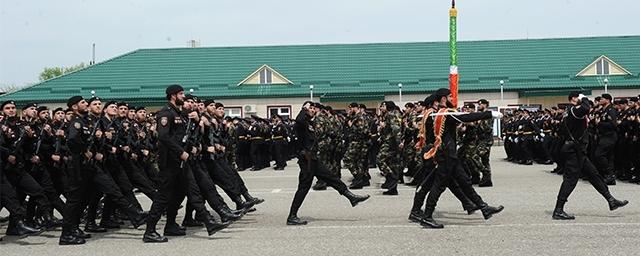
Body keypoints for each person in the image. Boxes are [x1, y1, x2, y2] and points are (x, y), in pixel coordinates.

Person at [286, 102, 370, 225]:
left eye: (314, 109)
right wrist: (305, 108)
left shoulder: (310, 123)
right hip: (306, 161)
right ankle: (292, 216)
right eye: (311, 108)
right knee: (303, 188)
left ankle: (350, 197)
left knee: (331, 177)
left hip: (313, 159)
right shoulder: (301, 124)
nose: (313, 110)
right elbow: (299, 119)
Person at [552, 92, 628, 220]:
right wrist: (584, 98)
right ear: (574, 99)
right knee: (570, 180)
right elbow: (586, 108)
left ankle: (610, 200)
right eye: (578, 98)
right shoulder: (573, 110)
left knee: (594, 175)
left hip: (577, 150)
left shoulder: (568, 111)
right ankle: (558, 209)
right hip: (574, 151)